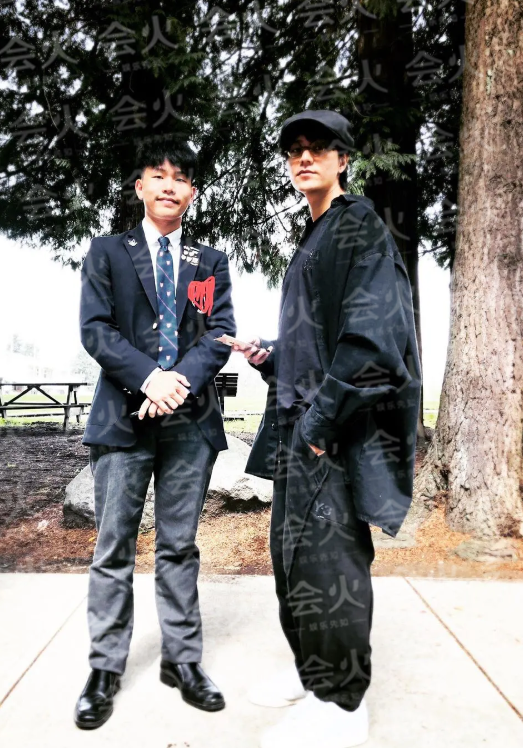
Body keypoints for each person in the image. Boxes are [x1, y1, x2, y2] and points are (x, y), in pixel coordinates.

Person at [233, 110, 422, 748]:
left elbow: (373, 338)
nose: (304, 157)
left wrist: (321, 422)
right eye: (295, 150)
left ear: (343, 159)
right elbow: (317, 341)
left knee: (330, 562)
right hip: (301, 427)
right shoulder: (314, 235)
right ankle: (310, 671)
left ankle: (342, 705)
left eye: (318, 147)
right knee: (292, 562)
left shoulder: (358, 225)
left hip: (331, 431)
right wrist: (270, 355)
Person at [76, 140, 236, 729]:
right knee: (113, 546)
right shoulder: (107, 252)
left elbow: (219, 333)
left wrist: (176, 384)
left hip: (190, 425)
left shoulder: (209, 261)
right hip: (122, 421)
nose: (170, 185)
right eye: (158, 175)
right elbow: (96, 330)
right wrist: (149, 378)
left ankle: (182, 661)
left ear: (192, 192)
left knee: (179, 546)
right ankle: (104, 668)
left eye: (181, 178)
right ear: (140, 186)